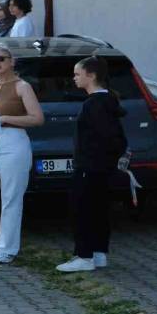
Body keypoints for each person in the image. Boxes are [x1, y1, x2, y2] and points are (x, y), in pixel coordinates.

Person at [57, 56, 128, 273]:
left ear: (91, 75)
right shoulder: (106, 101)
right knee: (99, 210)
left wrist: (93, 159)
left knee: (83, 210)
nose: (74, 78)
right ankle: (98, 253)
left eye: (78, 74)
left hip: (90, 167)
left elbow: (107, 137)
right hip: (101, 167)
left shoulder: (94, 104)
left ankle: (84, 255)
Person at [0, 44, 44, 263]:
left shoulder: (22, 86)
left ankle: (6, 249)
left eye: (1, 58)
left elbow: (37, 118)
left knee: (10, 197)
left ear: (12, 61)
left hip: (13, 140)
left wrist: (6, 119)